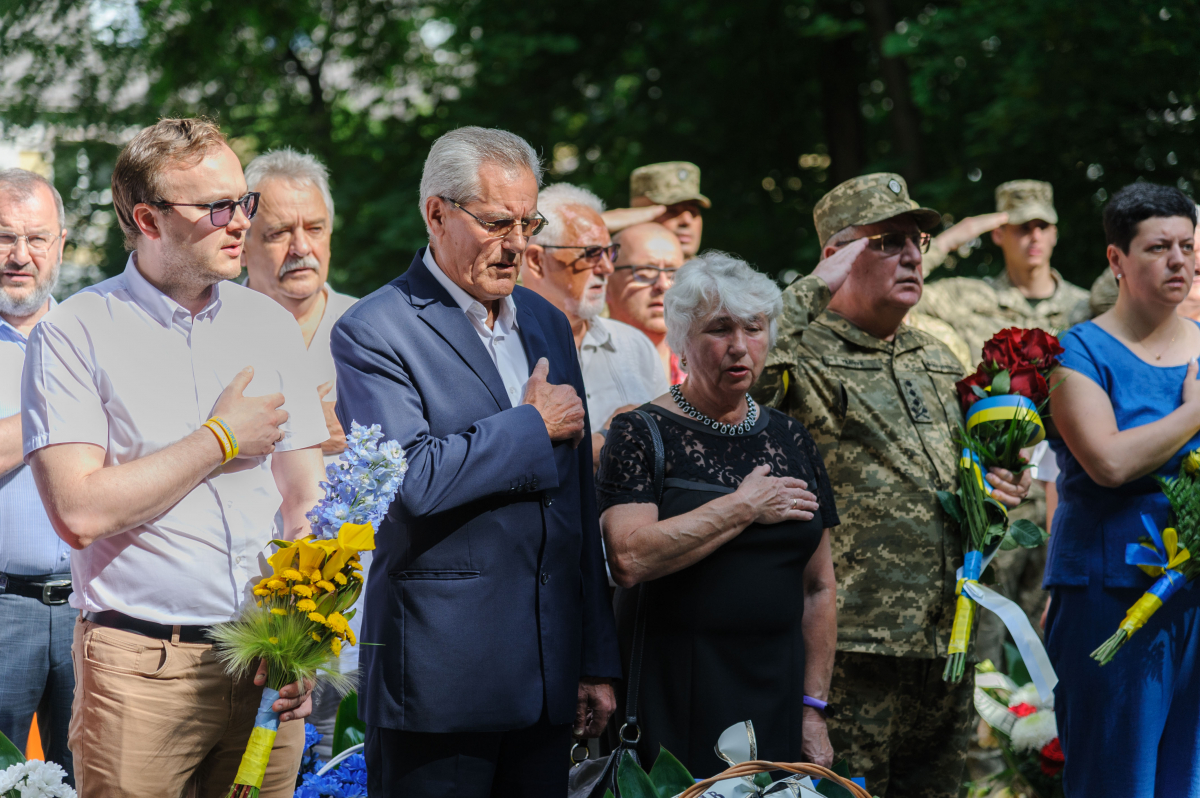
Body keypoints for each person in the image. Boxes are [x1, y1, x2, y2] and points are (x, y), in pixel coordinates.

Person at [21, 118, 327, 798]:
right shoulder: (75, 332)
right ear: (147, 219)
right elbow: (79, 511)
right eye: (216, 207)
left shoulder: (269, 324)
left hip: (264, 663)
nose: (239, 223)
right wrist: (218, 439)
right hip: (138, 669)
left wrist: (302, 635)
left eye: (243, 202)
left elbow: (309, 499)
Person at [331, 126, 621, 798]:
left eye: (529, 222)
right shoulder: (376, 329)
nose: (518, 243)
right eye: (497, 222)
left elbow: (577, 506)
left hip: (547, 682)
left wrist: (595, 658)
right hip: (439, 686)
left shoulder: (547, 323)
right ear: (436, 213)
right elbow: (410, 481)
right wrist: (530, 425)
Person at [756, 173, 1030, 798]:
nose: (912, 254)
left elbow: (963, 467)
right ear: (837, 257)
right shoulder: (803, 352)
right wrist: (814, 288)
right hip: (854, 645)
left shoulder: (937, 355)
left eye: (918, 240)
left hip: (946, 638)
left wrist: (992, 480)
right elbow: (750, 368)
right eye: (887, 241)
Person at [596, 251, 838, 776]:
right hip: (675, 688)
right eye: (718, 329)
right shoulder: (641, 432)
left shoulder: (792, 438)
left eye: (753, 328)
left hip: (775, 689)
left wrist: (813, 709)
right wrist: (743, 505)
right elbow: (629, 558)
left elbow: (819, 587)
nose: (738, 346)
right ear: (681, 341)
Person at [1045, 182, 1200, 796]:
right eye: (1158, 247)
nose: (1179, 261)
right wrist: (1193, 414)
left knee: (1189, 777)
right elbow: (1108, 461)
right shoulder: (1076, 351)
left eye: (1187, 246)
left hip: (1197, 597)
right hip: (1108, 599)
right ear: (1116, 260)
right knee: (1116, 777)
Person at [241, 146, 362, 759]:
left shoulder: (374, 332)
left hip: (357, 617)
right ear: (239, 237)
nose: (301, 247)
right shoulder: (211, 332)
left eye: (314, 228)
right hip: (247, 614)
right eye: (278, 233)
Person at [0, 169, 74, 783]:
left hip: (93, 606)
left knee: (93, 778)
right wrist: (58, 414)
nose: (19, 255)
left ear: (62, 245)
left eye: (36, 239)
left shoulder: (92, 334)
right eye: (2, 237)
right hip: (2, 608)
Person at [524, 183, 667, 467]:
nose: (607, 268)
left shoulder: (633, 345)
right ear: (537, 261)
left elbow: (669, 446)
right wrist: (605, 440)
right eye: (591, 253)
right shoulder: (501, 344)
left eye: (610, 252)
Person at [918, 179, 1088, 363]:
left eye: (1043, 226)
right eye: (1024, 227)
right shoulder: (966, 297)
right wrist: (945, 243)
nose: (1035, 236)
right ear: (998, 234)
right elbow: (893, 300)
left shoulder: (1084, 307)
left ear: (1054, 234)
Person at [607, 222, 686, 384]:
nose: (663, 285)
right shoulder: (581, 362)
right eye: (645, 272)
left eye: (673, 273)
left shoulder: (703, 366)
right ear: (607, 281)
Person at [603, 161, 708, 257]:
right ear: (638, 217)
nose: (686, 221)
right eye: (671, 211)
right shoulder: (610, 273)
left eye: (693, 212)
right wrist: (602, 223)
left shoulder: (713, 277)